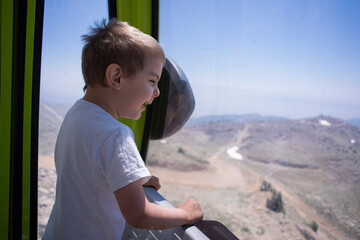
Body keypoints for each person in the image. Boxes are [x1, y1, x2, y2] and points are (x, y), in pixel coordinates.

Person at [43, 19, 203, 239]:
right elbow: (140, 215)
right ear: (116, 77)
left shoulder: (76, 114)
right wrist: (185, 214)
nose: (157, 92)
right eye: (152, 81)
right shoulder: (116, 134)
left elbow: (88, 169)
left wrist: (130, 177)